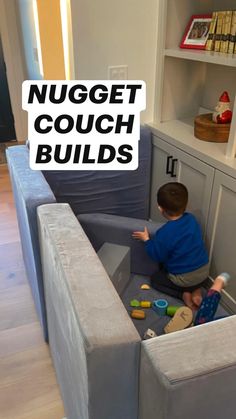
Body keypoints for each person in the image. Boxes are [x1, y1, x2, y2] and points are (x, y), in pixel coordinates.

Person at [132, 182, 209, 310]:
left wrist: (146, 240)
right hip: (204, 274)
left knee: (156, 279)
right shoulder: (192, 219)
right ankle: (196, 290)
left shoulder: (164, 233)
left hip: (184, 279)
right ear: (186, 204)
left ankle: (183, 294)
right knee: (180, 264)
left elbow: (157, 255)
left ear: (160, 208)